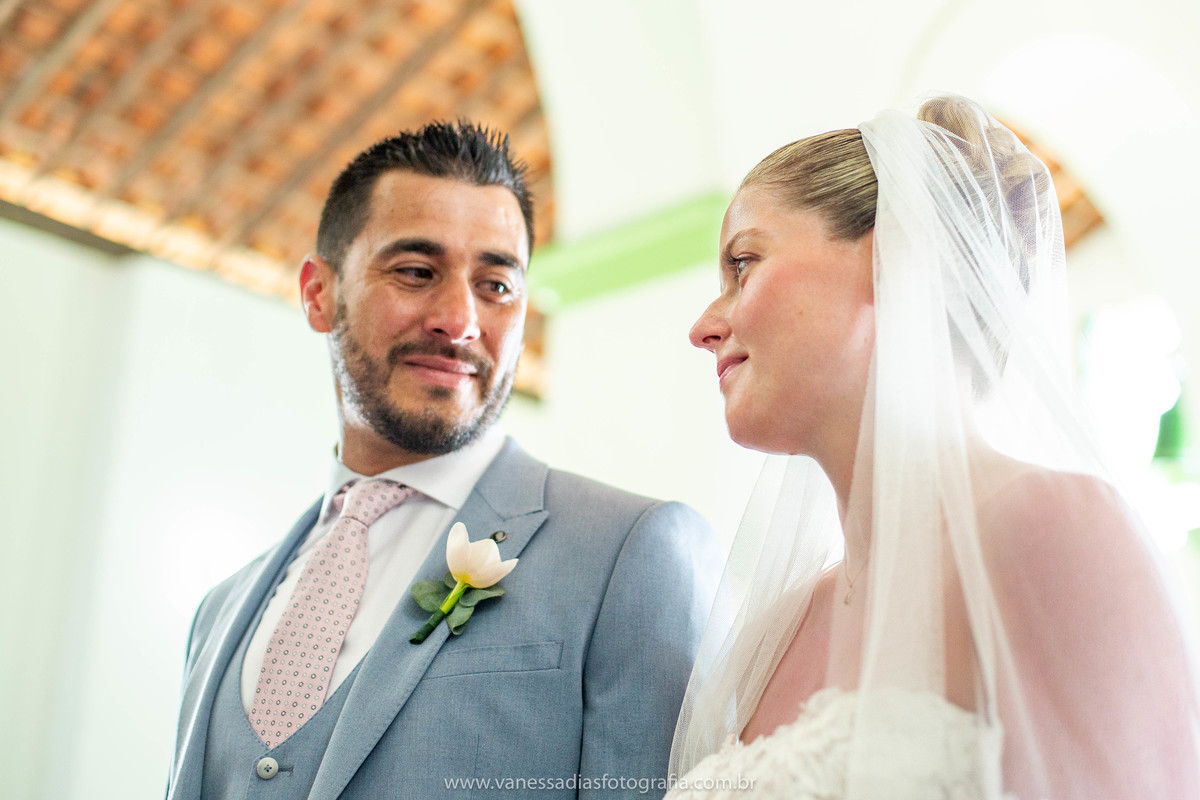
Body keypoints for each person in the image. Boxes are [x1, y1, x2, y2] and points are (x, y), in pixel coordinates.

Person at [667, 94, 1200, 799]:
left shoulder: (1050, 528)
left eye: (743, 263)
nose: (705, 325)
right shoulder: (783, 623)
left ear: (895, 257)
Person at [166, 121, 718, 800]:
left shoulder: (631, 553)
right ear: (318, 293)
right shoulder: (219, 610)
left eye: (496, 287)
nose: (458, 320)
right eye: (417, 272)